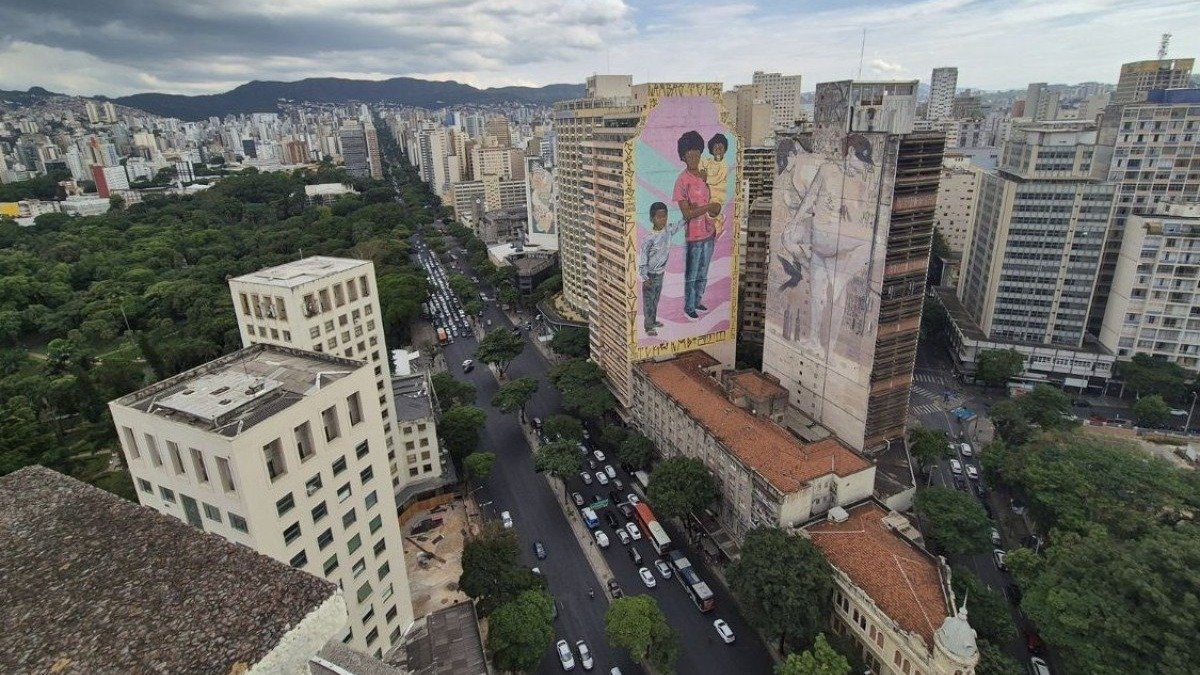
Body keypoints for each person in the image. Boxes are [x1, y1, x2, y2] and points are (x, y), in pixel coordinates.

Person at [673, 130, 724, 319]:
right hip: (693, 236)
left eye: (696, 153)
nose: (693, 158)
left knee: (703, 271)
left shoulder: (704, 178)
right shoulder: (681, 181)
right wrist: (706, 207)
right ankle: (689, 306)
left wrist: (711, 208)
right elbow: (687, 213)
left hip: (708, 232)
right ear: (683, 157)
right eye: (689, 155)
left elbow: (708, 205)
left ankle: (698, 300)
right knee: (692, 273)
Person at [637, 201, 684, 336]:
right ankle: (648, 326)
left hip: (660, 274)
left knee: (656, 299)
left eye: (665, 216)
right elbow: (643, 261)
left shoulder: (668, 230)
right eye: (659, 217)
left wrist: (688, 215)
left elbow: (680, 224)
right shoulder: (649, 239)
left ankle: (653, 321)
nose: (663, 220)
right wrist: (644, 277)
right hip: (650, 275)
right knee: (648, 301)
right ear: (652, 219)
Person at [700, 133, 730, 235]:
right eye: (716, 149)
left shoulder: (724, 165)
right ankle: (715, 225)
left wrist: (705, 178)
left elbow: (717, 178)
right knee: (708, 214)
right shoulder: (708, 161)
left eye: (720, 149)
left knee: (712, 211)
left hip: (718, 194)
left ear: (725, 150)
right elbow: (700, 164)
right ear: (711, 150)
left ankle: (718, 224)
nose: (718, 151)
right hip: (708, 193)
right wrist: (701, 171)